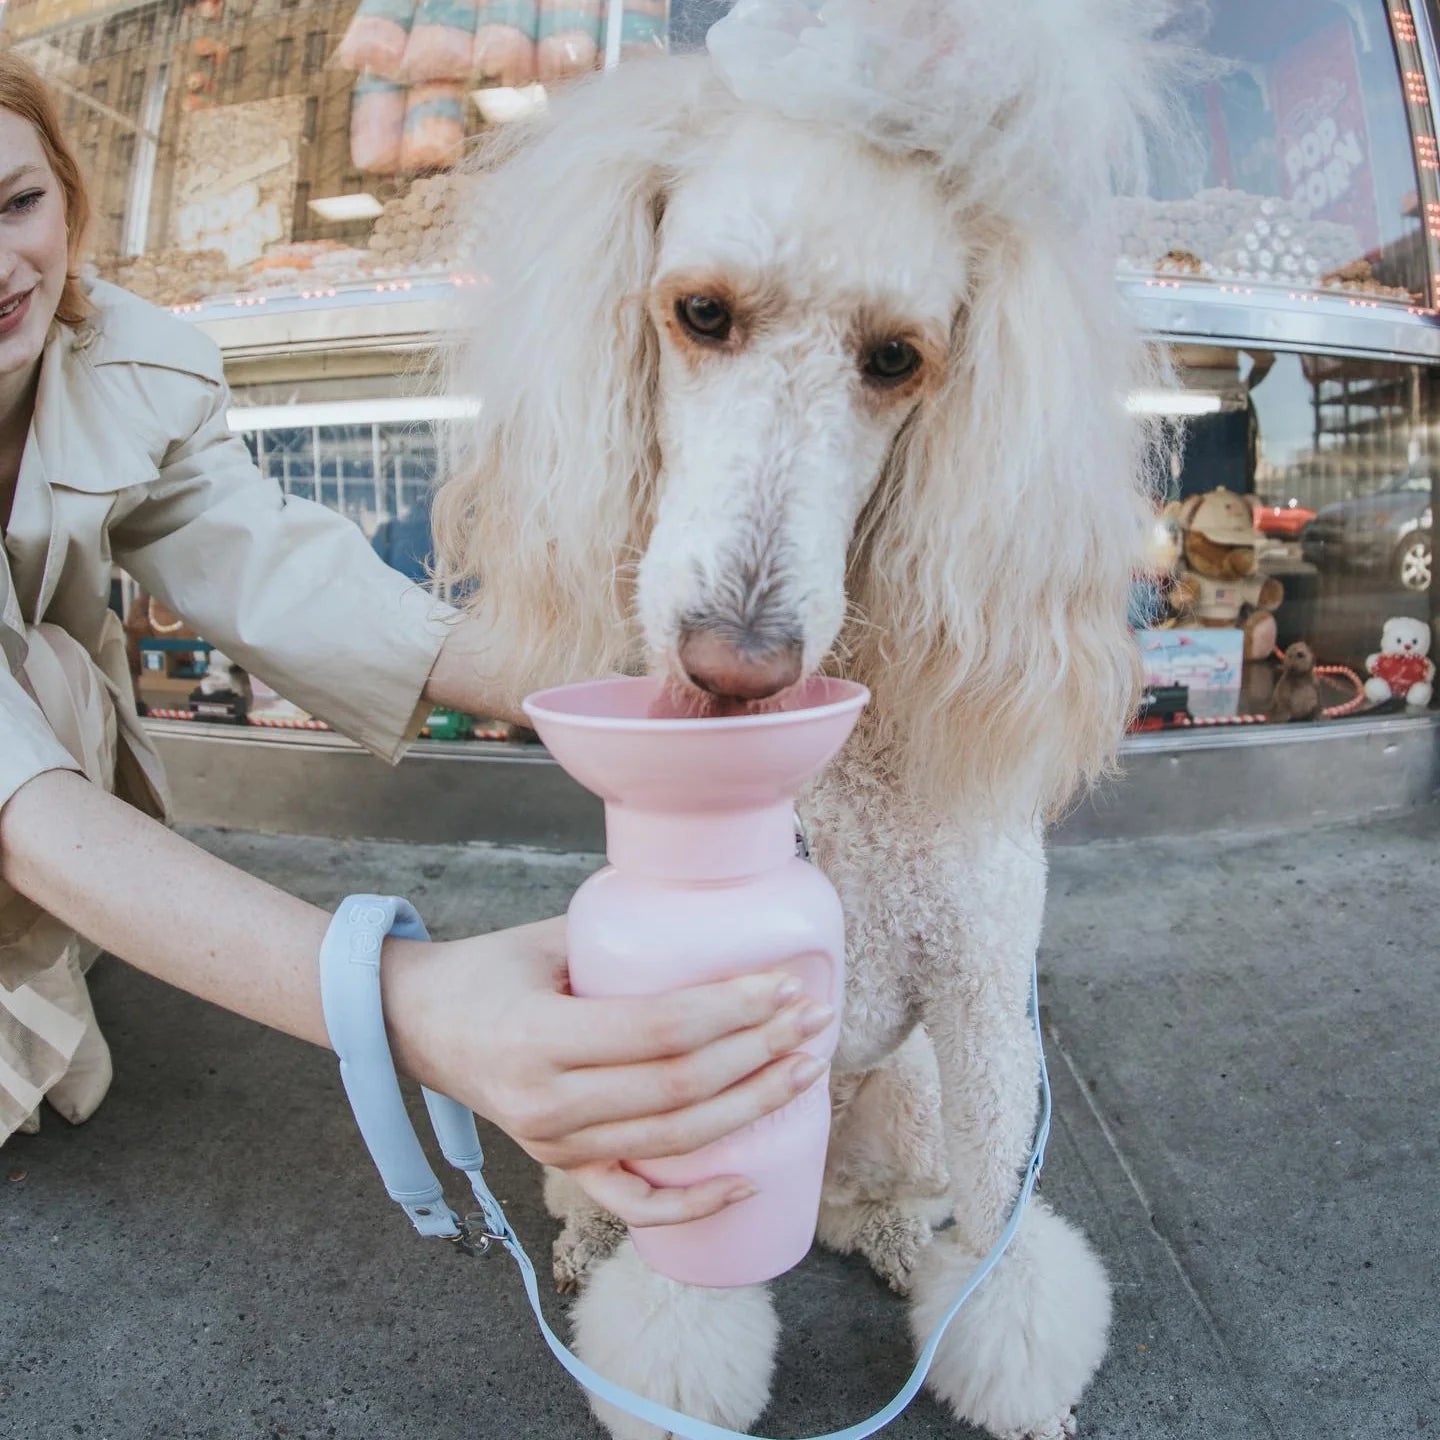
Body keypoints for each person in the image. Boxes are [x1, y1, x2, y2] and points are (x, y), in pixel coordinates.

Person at [0, 50, 831, 1226]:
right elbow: (18, 794)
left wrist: (654, 689)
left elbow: (281, 575)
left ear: (70, 196)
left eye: (17, 203)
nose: (0, 267)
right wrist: (406, 1002)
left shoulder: (123, 360)